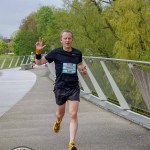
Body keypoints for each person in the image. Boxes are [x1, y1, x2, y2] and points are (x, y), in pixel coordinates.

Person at [35, 29, 87, 150]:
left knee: (73, 114)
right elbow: (39, 62)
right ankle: (58, 122)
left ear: (72, 40)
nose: (67, 40)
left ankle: (71, 143)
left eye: (69, 38)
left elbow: (79, 64)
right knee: (60, 114)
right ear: (61, 40)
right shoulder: (56, 53)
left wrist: (83, 69)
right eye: (65, 38)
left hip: (73, 87)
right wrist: (38, 51)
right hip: (60, 87)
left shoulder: (77, 53)